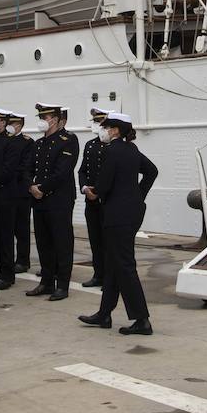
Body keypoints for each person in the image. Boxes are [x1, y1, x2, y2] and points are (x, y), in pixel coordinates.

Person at [78, 113, 158, 336]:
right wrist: (137, 195)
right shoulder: (131, 149)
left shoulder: (111, 151)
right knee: (113, 263)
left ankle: (142, 320)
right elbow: (152, 171)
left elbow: (103, 184)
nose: (102, 131)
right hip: (132, 212)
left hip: (116, 215)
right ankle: (104, 314)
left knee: (124, 265)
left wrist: (92, 192)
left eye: (106, 127)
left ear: (114, 130)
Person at [25, 102, 79, 301]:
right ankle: (46, 282)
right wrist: (31, 186)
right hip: (39, 201)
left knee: (62, 242)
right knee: (43, 241)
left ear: (55, 119)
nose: (41, 121)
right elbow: (27, 168)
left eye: (44, 118)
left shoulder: (68, 140)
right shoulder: (38, 144)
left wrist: (41, 188)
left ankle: (62, 285)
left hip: (59, 200)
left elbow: (62, 172)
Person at [77, 107, 110, 289]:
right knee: (95, 240)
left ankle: (109, 278)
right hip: (90, 201)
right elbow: (83, 170)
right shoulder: (90, 145)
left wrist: (98, 191)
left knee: (108, 242)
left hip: (106, 201)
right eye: (95, 122)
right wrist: (84, 188)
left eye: (100, 122)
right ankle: (98, 274)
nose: (97, 125)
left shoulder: (114, 146)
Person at [0, 109, 20, 289]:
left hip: (6, 195)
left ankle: (7, 274)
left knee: (5, 237)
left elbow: (8, 171)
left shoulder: (11, 143)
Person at [7, 111, 33, 274]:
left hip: (21, 191)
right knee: (8, 229)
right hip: (7, 192)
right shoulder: (5, 140)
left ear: (19, 126)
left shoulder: (27, 142)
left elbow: (26, 166)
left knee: (21, 229)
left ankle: (23, 260)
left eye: (13, 124)